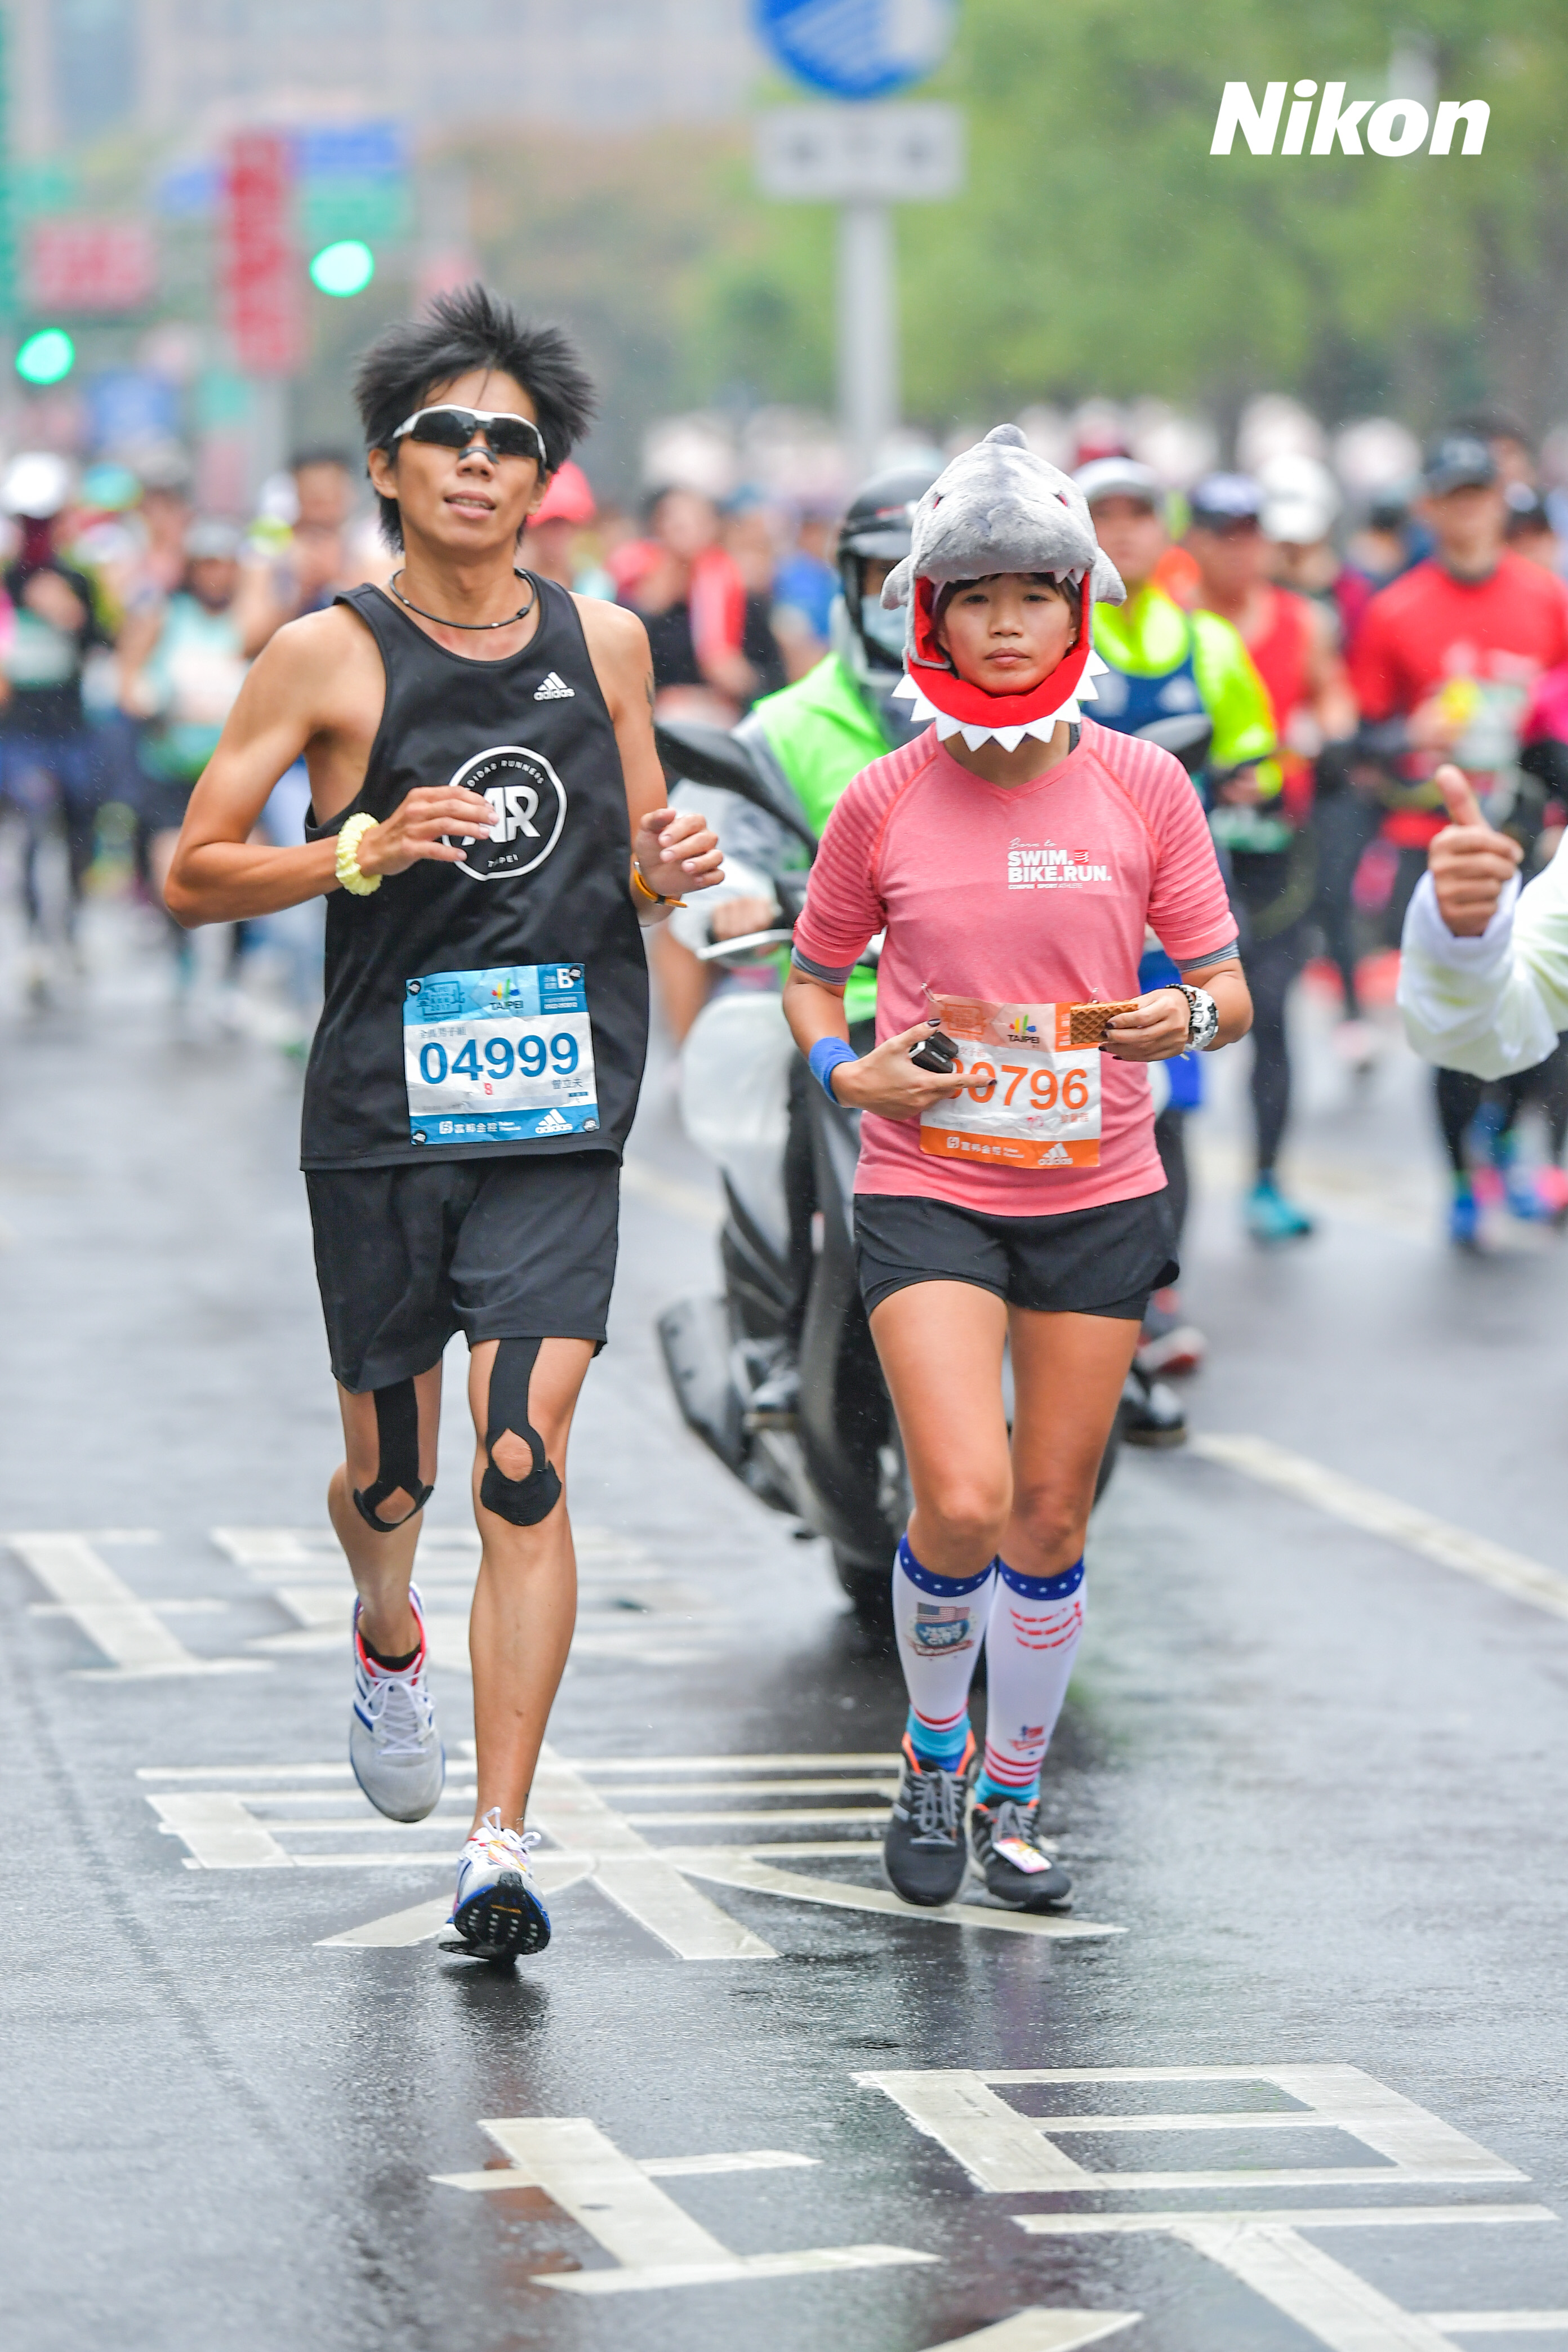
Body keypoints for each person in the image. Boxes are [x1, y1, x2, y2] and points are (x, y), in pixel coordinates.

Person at [163, 284, 721, 1963]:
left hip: (558, 1110)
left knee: (520, 1461)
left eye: (511, 441)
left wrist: (670, 869)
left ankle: (499, 1839)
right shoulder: (325, 653)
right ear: (388, 467)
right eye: (447, 435)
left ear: (543, 477)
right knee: (390, 1472)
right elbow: (192, 871)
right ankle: (387, 1626)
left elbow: (638, 855)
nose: (480, 462)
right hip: (381, 1115)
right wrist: (355, 848)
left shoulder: (605, 642)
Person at [783, 426, 1250, 1911]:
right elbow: (813, 978)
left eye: (1032, 596)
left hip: (1099, 1191)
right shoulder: (883, 797)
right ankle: (933, 1751)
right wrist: (844, 1071)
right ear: (929, 617)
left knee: (1052, 1516)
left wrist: (1187, 1017)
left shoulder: (1145, 788)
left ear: (1076, 610)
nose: (1003, 623)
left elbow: (1228, 990)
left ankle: (1014, 1790)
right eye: (973, 597)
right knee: (966, 1500)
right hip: (928, 1187)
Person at [667, 462, 937, 1417]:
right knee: (792, 1097)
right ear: (848, 587)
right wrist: (737, 898)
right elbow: (718, 848)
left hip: (999, 1012)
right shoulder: (784, 726)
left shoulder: (1024, 727)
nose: (906, 604)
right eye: (884, 579)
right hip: (840, 1003)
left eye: (930, 581)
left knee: (1128, 1103)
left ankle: (1130, 1333)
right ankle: (784, 1332)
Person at [1351, 430, 1568, 1244]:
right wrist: (1409, 735)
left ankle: (1505, 1140)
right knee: (1448, 1015)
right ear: (1430, 508)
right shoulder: (1396, 610)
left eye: (1481, 495)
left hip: (1524, 832)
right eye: (1454, 497)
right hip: (1432, 834)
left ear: (1499, 504)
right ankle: (1459, 1179)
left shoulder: (1546, 598)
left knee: (1542, 1004)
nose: (1469, 511)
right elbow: (1363, 737)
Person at [1075, 458, 1294, 1262]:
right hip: (1073, 911)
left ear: (1165, 529)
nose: (1123, 531)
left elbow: (1259, 756)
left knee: (1170, 1105)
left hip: (1173, 921)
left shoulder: (1208, 642)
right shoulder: (1055, 637)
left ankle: (1158, 1294)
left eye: (1138, 514)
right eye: (1104, 515)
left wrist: (1250, 779)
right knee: (1075, 1100)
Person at [118, 519, 255, 989]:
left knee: (247, 875)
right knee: (172, 879)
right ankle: (184, 959)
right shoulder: (166, 616)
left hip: (231, 772)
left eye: (225, 565)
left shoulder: (249, 620)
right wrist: (160, 701)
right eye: (207, 565)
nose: (216, 575)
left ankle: (234, 973)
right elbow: (130, 683)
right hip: (172, 769)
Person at [0, 452, 112, 995]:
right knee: (30, 820)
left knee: (78, 829)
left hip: (70, 728)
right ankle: (34, 941)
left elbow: (104, 643)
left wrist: (74, 617)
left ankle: (71, 925)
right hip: (20, 731)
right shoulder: (5, 581)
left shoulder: (77, 578)